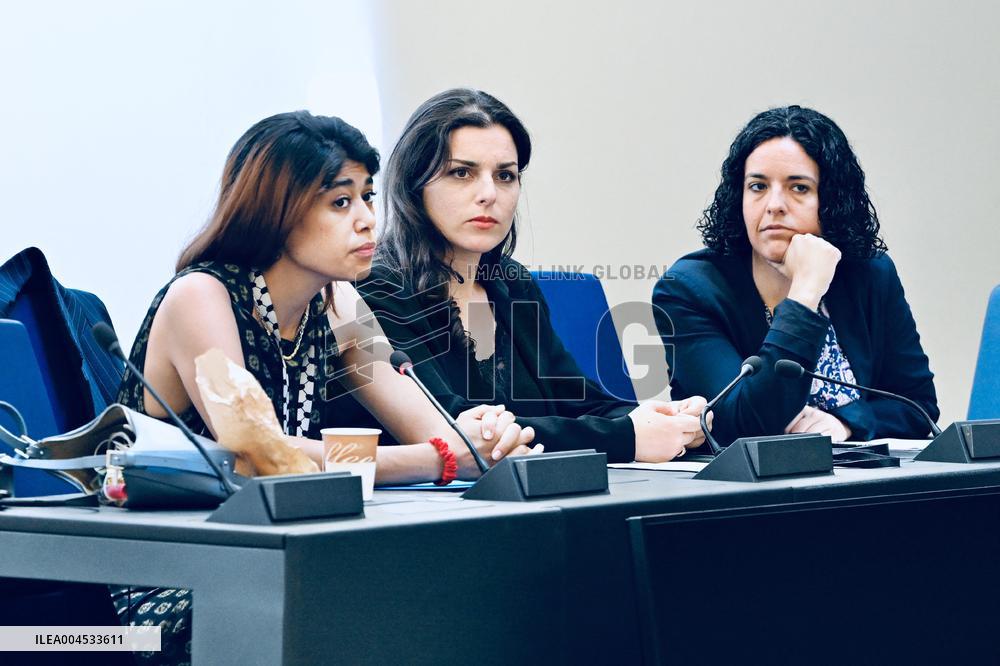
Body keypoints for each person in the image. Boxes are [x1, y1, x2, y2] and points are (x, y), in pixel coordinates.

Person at [114, 111, 536, 664]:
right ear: (276, 213)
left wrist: (482, 435)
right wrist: (436, 459)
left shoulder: (339, 307)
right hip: (176, 574)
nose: (366, 221)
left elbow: (436, 429)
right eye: (340, 202)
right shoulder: (203, 296)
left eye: (366, 197)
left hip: (277, 554)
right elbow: (259, 452)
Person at [358, 88, 707, 464]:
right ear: (414, 186)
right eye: (462, 173)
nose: (489, 194)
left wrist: (663, 419)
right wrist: (627, 436)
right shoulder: (376, 286)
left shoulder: (511, 282)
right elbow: (463, 428)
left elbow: (579, 401)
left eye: (505, 175)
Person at [652, 105, 938, 447]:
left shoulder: (870, 274)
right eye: (757, 186)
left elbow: (918, 407)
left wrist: (846, 423)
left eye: (798, 188)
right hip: (753, 494)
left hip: (862, 484)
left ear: (830, 201)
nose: (774, 205)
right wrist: (804, 293)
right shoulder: (688, 290)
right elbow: (743, 422)